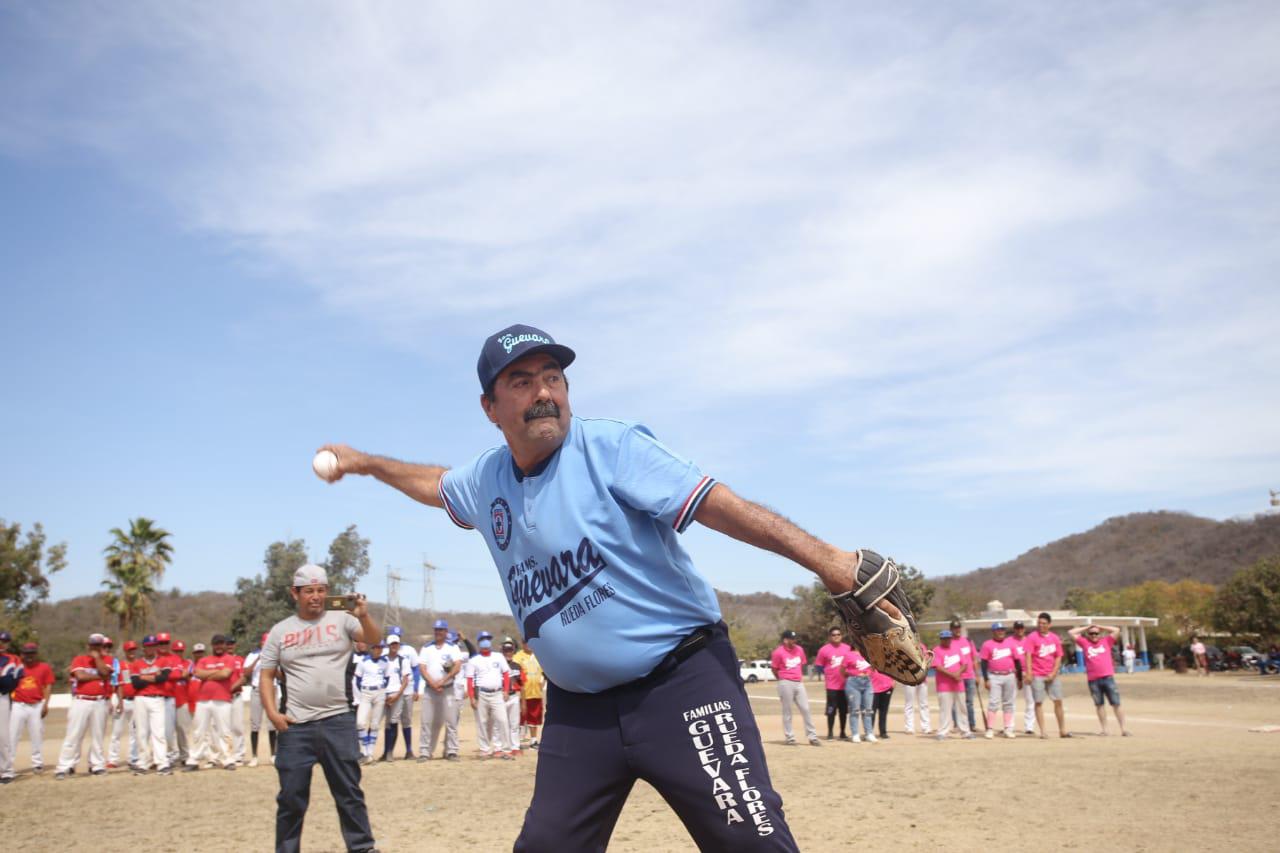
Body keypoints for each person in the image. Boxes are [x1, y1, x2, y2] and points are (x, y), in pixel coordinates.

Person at [316, 323, 907, 851]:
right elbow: (435, 483)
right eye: (521, 381)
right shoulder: (486, 480)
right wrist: (367, 462)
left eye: (554, 377)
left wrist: (831, 562)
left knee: (749, 839)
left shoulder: (611, 446)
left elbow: (717, 505)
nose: (544, 391)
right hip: (580, 713)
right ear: (489, 407)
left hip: (682, 684)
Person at [258, 564, 380, 853]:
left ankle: (362, 848)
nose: (315, 596)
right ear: (294, 593)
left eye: (321, 590)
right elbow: (265, 675)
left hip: (338, 720)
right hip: (296, 726)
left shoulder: (342, 620)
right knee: (291, 798)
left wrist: (364, 615)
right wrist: (273, 713)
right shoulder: (280, 631)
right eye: (309, 591)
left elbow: (374, 639)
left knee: (349, 793)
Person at [54, 632, 113, 779]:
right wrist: (100, 676)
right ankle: (65, 766)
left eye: (99, 645)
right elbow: (80, 676)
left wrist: (97, 659)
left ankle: (97, 765)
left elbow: (106, 673)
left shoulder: (108, 659)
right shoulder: (79, 659)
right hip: (81, 700)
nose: (96, 647)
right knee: (73, 735)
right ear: (88, 645)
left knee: (98, 736)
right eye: (93, 645)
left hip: (100, 701)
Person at [186, 634, 241, 771]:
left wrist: (208, 674)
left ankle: (227, 759)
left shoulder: (229, 658)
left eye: (221, 643)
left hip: (222, 699)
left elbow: (226, 674)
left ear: (225, 645)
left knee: (224, 731)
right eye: (216, 644)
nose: (219, 646)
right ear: (212, 645)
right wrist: (217, 672)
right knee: (199, 731)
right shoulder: (204, 659)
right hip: (203, 700)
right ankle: (194, 759)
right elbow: (198, 673)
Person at [1069, 624, 1131, 736]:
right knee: (1099, 705)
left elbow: (1116, 630)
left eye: (1096, 633)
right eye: (1091, 633)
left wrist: (1100, 626)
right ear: (1088, 634)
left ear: (1100, 634)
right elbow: (1071, 633)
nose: (1094, 635)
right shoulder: (1084, 643)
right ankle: (1105, 729)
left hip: (1107, 677)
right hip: (1093, 679)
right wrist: (1088, 627)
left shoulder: (1106, 641)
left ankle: (1123, 729)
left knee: (1116, 703)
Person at [128, 634, 175, 774]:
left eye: (154, 646)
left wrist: (144, 677)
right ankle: (143, 762)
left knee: (159, 732)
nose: (151, 648)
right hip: (141, 699)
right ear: (144, 648)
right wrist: (154, 676)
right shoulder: (137, 663)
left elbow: (163, 678)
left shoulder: (163, 661)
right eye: (148, 646)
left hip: (157, 698)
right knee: (142, 732)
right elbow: (136, 683)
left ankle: (161, 762)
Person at [417, 619, 462, 761]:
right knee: (426, 721)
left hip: (447, 689)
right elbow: (422, 668)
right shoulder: (427, 648)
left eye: (441, 630)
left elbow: (457, 666)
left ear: (446, 632)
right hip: (430, 690)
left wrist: (443, 680)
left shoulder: (452, 647)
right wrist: (432, 682)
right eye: (436, 630)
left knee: (451, 721)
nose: (438, 632)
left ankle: (451, 751)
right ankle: (425, 751)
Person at [771, 630, 821, 747]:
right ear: (785, 640)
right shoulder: (778, 652)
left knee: (806, 709)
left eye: (794, 639)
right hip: (785, 682)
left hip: (798, 682)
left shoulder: (799, 649)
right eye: (791, 639)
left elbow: (801, 663)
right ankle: (790, 737)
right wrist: (782, 679)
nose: (794, 641)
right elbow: (774, 668)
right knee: (787, 711)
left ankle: (812, 737)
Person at [10, 643, 55, 773]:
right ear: (22, 654)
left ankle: (37, 763)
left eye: (32, 653)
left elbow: (48, 686)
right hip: (18, 704)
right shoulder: (17, 667)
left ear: (36, 654)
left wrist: (46, 704)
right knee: (13, 736)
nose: (29, 656)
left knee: (37, 734)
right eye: (26, 653)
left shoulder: (44, 667)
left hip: (36, 704)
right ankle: (8, 764)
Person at [1025, 612, 1071, 739]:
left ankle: (1062, 730)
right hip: (1037, 674)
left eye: (1044, 623)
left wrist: (1054, 672)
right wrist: (1029, 673)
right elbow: (1028, 655)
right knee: (1038, 702)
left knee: (1058, 701)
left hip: (1052, 675)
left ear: (1049, 625)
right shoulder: (1032, 637)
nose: (1041, 626)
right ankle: (1043, 731)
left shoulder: (1055, 638)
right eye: (1039, 623)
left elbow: (1058, 656)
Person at [467, 635, 513, 758]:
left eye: (487, 639)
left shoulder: (498, 657)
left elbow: (506, 673)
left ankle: (506, 750)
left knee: (502, 720)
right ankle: (485, 749)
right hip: (482, 693)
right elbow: (470, 680)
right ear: (478, 643)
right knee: (482, 722)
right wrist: (471, 697)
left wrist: (506, 690)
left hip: (497, 693)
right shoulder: (474, 660)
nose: (485, 642)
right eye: (482, 639)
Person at [979, 622, 1019, 739]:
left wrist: (1019, 677)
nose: (1001, 632)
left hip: (1009, 675)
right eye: (998, 630)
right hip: (994, 676)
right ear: (993, 632)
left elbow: (1016, 660)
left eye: (1002, 630)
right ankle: (990, 728)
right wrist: (986, 679)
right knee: (993, 702)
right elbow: (984, 663)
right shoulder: (987, 644)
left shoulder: (1010, 643)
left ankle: (1008, 728)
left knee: (1008, 702)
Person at [931, 631, 973, 740]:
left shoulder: (957, 648)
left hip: (958, 684)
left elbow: (964, 664)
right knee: (945, 709)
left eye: (949, 638)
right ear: (941, 639)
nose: (947, 640)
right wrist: (953, 675)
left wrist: (957, 673)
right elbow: (938, 667)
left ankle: (965, 731)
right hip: (944, 685)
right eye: (944, 638)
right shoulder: (937, 650)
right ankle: (943, 732)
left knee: (962, 708)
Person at [354, 641, 390, 764]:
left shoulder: (385, 662)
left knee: (375, 724)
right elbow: (358, 679)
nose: (379, 650)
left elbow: (387, 678)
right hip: (366, 692)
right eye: (377, 648)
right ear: (372, 648)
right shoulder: (363, 661)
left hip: (379, 692)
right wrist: (364, 691)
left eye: (381, 648)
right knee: (360, 722)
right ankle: (363, 751)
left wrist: (381, 690)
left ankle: (370, 753)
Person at [813, 627, 851, 740]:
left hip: (845, 685)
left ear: (841, 635)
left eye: (838, 634)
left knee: (843, 710)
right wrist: (826, 674)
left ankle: (843, 732)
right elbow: (819, 666)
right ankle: (830, 733)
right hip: (832, 686)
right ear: (830, 637)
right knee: (831, 710)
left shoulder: (847, 649)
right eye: (834, 635)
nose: (836, 636)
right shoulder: (824, 650)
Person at [378, 635, 412, 761]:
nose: (394, 646)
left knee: (393, 721)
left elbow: (405, 680)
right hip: (384, 694)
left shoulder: (403, 660)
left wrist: (397, 694)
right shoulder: (383, 660)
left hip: (397, 694)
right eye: (392, 644)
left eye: (396, 644)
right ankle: (385, 751)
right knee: (385, 723)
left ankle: (390, 752)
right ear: (388, 645)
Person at [107, 639, 139, 770]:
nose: (132, 652)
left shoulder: (138, 664)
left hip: (136, 700)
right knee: (117, 731)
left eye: (134, 650)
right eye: (129, 650)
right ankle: (113, 759)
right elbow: (115, 683)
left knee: (135, 732)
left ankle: (133, 758)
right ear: (125, 651)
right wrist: (116, 701)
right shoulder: (119, 665)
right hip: (122, 700)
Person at [512, 636, 544, 749]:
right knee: (519, 718)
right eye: (525, 643)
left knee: (534, 717)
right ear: (522, 643)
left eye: (530, 642)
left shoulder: (538, 655)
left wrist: (542, 682)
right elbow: (514, 675)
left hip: (536, 692)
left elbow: (544, 672)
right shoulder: (517, 657)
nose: (528, 645)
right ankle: (516, 741)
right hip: (522, 693)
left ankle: (534, 741)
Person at [949, 618, 978, 732]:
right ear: (951, 629)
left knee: (969, 702)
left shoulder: (968, 641)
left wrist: (977, 675)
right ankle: (956, 724)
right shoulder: (949, 642)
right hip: (956, 676)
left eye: (958, 628)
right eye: (955, 628)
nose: (957, 630)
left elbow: (974, 658)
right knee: (955, 702)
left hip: (969, 676)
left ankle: (971, 724)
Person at [0, 630, 21, 783]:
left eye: (5, 641)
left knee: (3, 736)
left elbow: (10, 683)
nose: (2, 644)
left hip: (2, 697)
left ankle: (6, 770)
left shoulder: (13, 659)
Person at [842, 646, 876, 742]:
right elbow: (842, 670)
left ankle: (869, 733)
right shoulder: (848, 655)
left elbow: (873, 667)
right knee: (855, 709)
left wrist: (868, 673)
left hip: (867, 682)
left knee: (868, 709)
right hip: (853, 682)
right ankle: (855, 734)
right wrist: (852, 675)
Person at [1010, 620, 1036, 734]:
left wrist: (1031, 672)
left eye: (1021, 628)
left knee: (1030, 701)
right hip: (1013, 674)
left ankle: (1029, 726)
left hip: (1028, 673)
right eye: (1017, 628)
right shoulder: (1009, 641)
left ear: (1024, 629)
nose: (1019, 630)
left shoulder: (1029, 640)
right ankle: (1009, 725)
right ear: (1014, 629)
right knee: (1010, 701)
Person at [900, 642, 931, 736]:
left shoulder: (922, 645)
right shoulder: (904, 644)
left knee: (924, 704)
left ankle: (926, 727)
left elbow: (925, 660)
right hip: (909, 678)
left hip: (921, 678)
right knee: (909, 704)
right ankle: (909, 727)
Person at [502, 638, 525, 755]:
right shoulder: (499, 665)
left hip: (514, 696)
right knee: (502, 723)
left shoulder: (517, 666)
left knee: (514, 723)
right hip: (501, 697)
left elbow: (522, 684)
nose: (508, 652)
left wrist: (523, 702)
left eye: (510, 650)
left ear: (513, 651)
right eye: (505, 650)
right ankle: (504, 747)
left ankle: (515, 746)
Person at [870, 668, 894, 740]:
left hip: (887, 687)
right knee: (872, 711)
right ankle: (869, 732)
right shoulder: (870, 659)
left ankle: (883, 732)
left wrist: (893, 682)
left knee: (883, 711)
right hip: (873, 688)